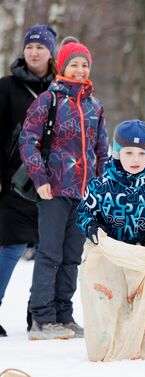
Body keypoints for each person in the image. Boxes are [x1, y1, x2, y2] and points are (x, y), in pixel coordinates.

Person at [19, 36, 109, 340]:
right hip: (54, 190)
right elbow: (28, 141)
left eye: (85, 64)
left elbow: (102, 149)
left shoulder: (95, 106)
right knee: (50, 254)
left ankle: (63, 315)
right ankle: (41, 319)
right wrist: (40, 179)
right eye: (74, 64)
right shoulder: (49, 99)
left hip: (83, 195)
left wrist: (100, 188)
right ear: (63, 66)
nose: (81, 69)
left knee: (72, 256)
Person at [77, 120, 145, 361]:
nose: (135, 159)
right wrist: (96, 230)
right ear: (117, 151)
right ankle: (110, 345)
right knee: (112, 305)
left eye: (142, 153)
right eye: (128, 152)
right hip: (109, 258)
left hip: (144, 258)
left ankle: (144, 347)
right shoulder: (100, 184)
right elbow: (84, 213)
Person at [0, 24, 57, 337]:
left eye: (41, 47)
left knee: (49, 249)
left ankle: (37, 313)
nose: (34, 52)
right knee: (11, 245)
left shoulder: (60, 88)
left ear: (51, 53)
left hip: (53, 181)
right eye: (29, 46)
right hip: (13, 179)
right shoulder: (6, 87)